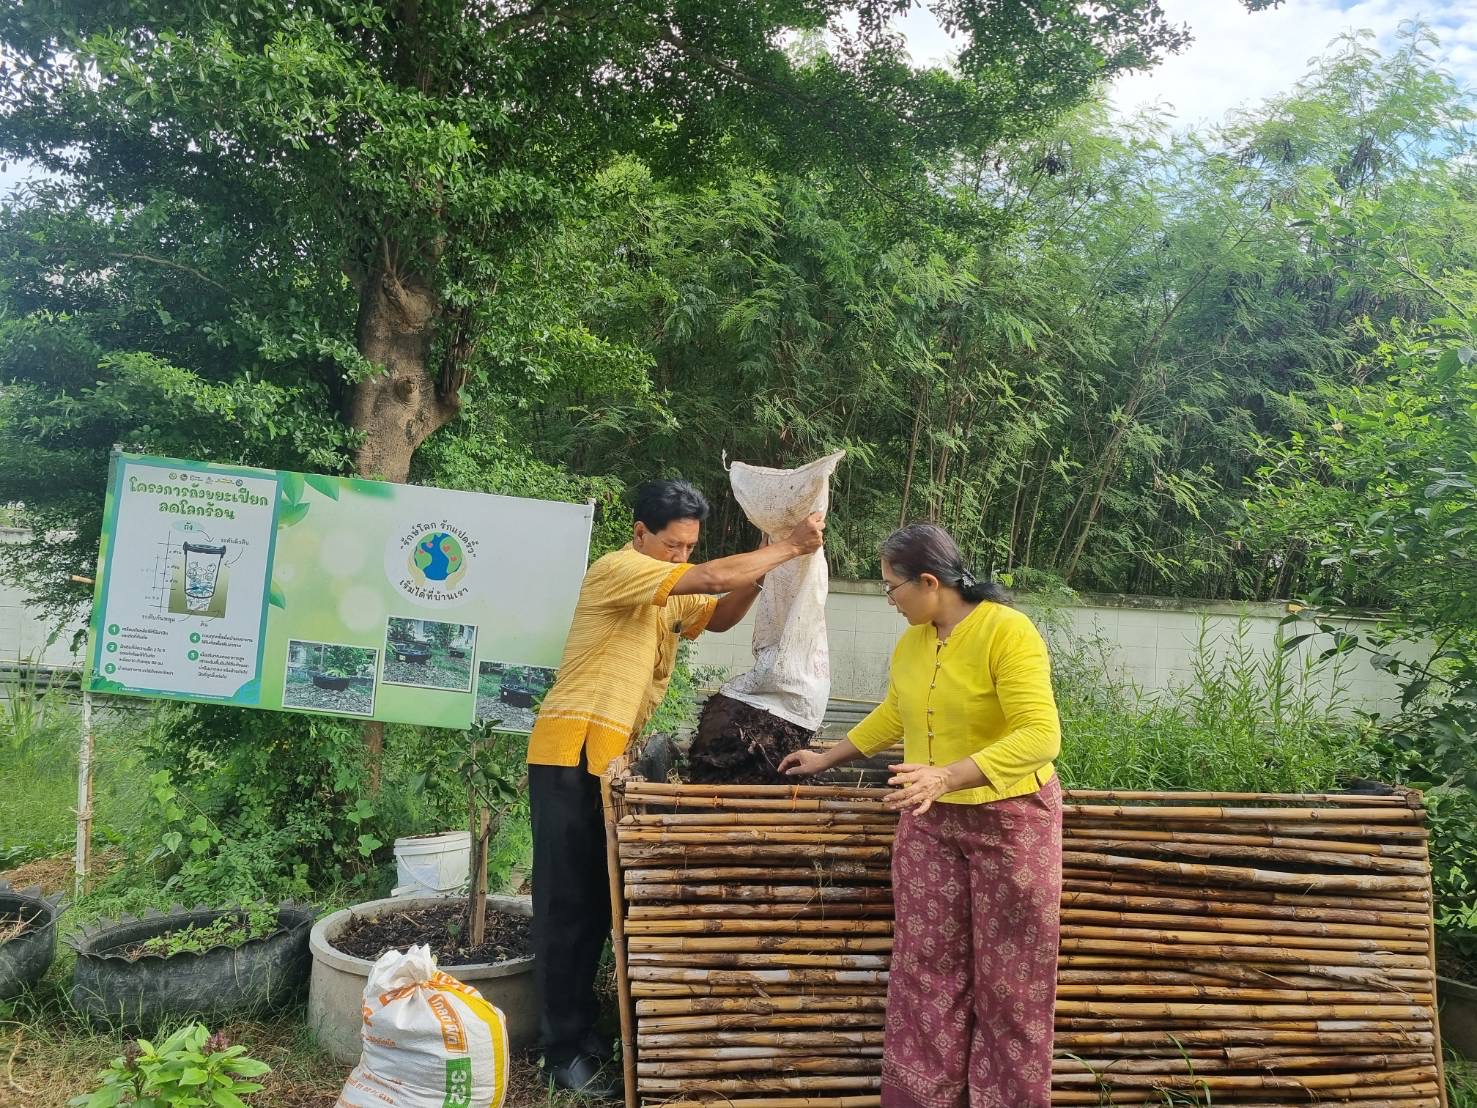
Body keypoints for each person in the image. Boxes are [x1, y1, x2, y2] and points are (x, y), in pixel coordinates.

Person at [527, 478, 826, 1098]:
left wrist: (767, 571)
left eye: (690, 547)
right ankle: (560, 1051)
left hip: (612, 759)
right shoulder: (621, 569)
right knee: (567, 905)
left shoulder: (668, 583)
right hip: (570, 751)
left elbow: (717, 616)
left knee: (601, 901)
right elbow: (713, 580)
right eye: (672, 545)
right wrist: (789, 546)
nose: (681, 557)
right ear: (640, 533)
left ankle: (583, 1035)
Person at [778, 522, 1062, 1108]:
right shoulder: (913, 642)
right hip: (930, 822)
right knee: (925, 967)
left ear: (930, 582)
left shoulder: (1008, 632)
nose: (889, 600)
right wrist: (827, 756)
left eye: (891, 588)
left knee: (1012, 980)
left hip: (1010, 820)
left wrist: (947, 774)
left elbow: (1040, 736)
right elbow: (895, 713)